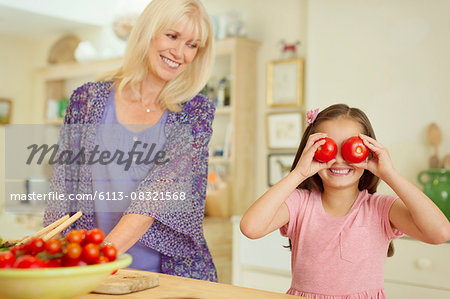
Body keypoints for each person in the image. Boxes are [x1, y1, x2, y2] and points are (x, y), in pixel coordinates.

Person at [43, 0, 218, 281]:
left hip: (166, 276)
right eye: (172, 36)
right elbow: (63, 192)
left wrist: (97, 262)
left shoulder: (196, 112)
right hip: (91, 269)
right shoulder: (87, 101)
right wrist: (55, 261)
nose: (180, 52)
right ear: (147, 32)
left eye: (192, 45)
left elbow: (155, 196)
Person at [240, 104, 450, 298]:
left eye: (351, 147)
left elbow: (440, 233)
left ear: (369, 152)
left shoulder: (380, 208)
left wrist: (390, 174)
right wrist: (298, 173)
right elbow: (251, 227)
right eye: (328, 147)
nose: (339, 159)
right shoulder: (300, 204)